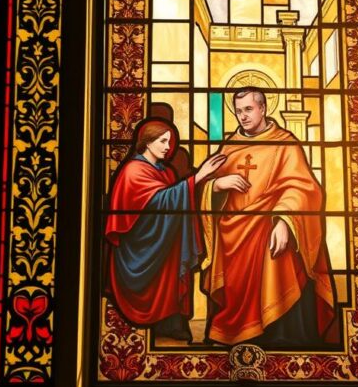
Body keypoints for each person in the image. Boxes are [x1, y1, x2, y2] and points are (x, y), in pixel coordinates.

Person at [199, 87, 336, 346]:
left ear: (263, 108)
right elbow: (204, 188)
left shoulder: (285, 143)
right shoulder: (230, 145)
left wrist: (284, 220)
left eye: (248, 109)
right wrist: (217, 186)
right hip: (233, 236)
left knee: (278, 254)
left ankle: (280, 337)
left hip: (267, 230)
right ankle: (237, 335)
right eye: (238, 111)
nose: (243, 116)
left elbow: (302, 187)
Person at [105, 118, 226, 341]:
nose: (167, 147)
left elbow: (176, 203)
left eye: (169, 142)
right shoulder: (133, 170)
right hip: (140, 248)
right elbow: (157, 203)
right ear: (147, 142)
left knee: (172, 273)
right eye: (162, 141)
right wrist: (198, 177)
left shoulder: (166, 172)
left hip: (166, 243)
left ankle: (171, 323)